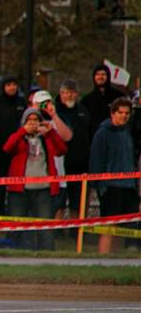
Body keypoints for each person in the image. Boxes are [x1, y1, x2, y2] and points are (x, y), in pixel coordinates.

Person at [3, 108, 67, 250]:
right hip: (20, 189)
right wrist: (22, 132)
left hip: (43, 189)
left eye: (35, 120)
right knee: (16, 222)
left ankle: (47, 252)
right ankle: (14, 250)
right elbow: (7, 148)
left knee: (45, 224)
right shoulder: (19, 137)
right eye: (29, 120)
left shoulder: (47, 138)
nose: (32, 123)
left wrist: (50, 132)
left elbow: (62, 150)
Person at [89, 98, 139, 254]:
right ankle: (103, 257)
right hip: (110, 187)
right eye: (120, 113)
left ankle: (115, 259)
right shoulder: (102, 133)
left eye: (127, 113)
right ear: (112, 113)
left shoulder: (127, 132)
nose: (123, 116)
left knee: (122, 226)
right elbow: (96, 161)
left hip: (128, 186)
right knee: (108, 226)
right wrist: (100, 186)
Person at [29, 90, 73, 218]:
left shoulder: (56, 120)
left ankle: (56, 234)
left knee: (58, 206)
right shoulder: (29, 122)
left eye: (47, 103)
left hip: (58, 172)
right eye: (41, 104)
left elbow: (67, 137)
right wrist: (34, 112)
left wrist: (53, 115)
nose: (44, 107)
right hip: (35, 175)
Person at [0, 75, 27, 215]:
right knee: (0, 183)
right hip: (1, 149)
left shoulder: (21, 102)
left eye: (14, 84)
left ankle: (16, 212)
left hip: (19, 150)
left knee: (17, 183)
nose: (12, 87)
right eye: (9, 84)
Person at [54, 79, 93, 220]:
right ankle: (56, 231)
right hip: (60, 164)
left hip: (81, 162)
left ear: (77, 94)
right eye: (65, 92)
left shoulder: (83, 110)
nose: (69, 96)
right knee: (59, 202)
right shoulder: (55, 111)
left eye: (72, 92)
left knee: (78, 202)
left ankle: (76, 231)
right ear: (60, 93)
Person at [82, 64, 125, 128]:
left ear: (108, 76)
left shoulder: (119, 96)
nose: (100, 77)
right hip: (95, 135)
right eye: (97, 74)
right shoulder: (86, 100)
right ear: (94, 77)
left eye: (103, 74)